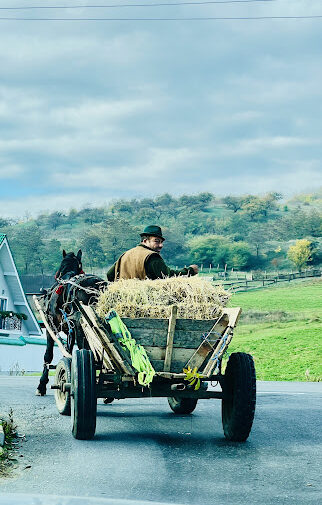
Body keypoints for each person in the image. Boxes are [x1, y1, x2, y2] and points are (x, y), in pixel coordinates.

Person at [106, 225, 199, 281]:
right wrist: (190, 270)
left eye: (161, 242)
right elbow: (168, 276)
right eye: (157, 241)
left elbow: (110, 275)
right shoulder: (151, 256)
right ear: (145, 241)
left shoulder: (125, 254)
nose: (161, 245)